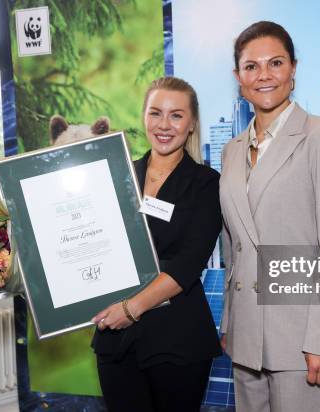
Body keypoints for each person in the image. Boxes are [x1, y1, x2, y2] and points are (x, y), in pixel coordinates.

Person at [219, 21, 320, 411]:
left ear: (293, 69)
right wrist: (229, 323)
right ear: (237, 76)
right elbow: (233, 247)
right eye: (251, 66)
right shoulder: (231, 151)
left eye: (275, 63)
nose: (263, 75)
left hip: (302, 341)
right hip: (246, 337)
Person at [90, 76, 222, 412]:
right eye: (155, 113)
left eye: (176, 115)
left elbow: (188, 263)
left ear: (191, 124)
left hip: (176, 340)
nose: (164, 125)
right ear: (144, 118)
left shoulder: (205, 184)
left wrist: (130, 310)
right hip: (115, 339)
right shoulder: (117, 176)